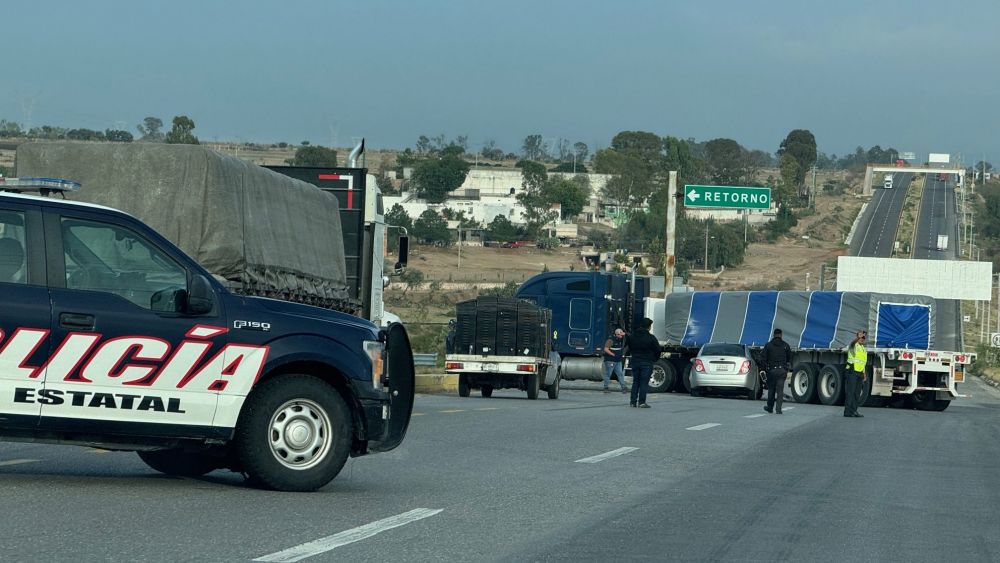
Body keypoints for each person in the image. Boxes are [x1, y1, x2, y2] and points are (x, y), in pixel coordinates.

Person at [627, 318, 660, 409]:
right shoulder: (651, 338)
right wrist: (654, 359)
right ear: (649, 327)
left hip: (635, 361)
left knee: (635, 382)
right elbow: (657, 350)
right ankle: (642, 402)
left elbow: (629, 348)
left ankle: (632, 402)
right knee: (644, 383)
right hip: (647, 362)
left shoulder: (632, 336)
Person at [761, 328, 792, 414]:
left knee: (771, 389)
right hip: (782, 371)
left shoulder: (768, 345)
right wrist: (786, 368)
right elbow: (789, 358)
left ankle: (770, 407)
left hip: (772, 371)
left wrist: (763, 369)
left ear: (774, 335)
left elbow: (763, 359)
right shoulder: (786, 345)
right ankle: (778, 409)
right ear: (781, 335)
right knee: (780, 390)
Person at [844, 330, 868, 418]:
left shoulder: (863, 349)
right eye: (861, 337)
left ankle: (854, 411)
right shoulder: (853, 346)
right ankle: (847, 412)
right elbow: (853, 344)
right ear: (857, 337)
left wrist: (864, 373)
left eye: (863, 338)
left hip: (860, 373)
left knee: (857, 393)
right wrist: (858, 336)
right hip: (852, 371)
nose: (862, 339)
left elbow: (863, 362)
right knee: (851, 392)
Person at [602, 328, 628, 393]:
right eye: (621, 335)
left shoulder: (620, 340)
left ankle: (624, 387)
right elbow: (605, 349)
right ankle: (606, 388)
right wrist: (613, 354)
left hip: (618, 360)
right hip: (610, 360)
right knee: (608, 374)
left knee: (620, 374)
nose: (622, 336)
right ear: (617, 334)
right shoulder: (610, 340)